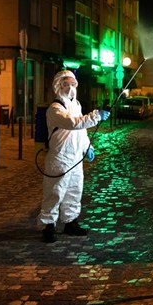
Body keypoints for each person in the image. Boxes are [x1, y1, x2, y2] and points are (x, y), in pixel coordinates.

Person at [37, 70, 110, 243]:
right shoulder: (55, 109)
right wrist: (96, 116)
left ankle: (70, 222)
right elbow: (72, 123)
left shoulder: (76, 105)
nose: (70, 87)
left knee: (74, 191)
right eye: (65, 84)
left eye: (73, 84)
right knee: (54, 192)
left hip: (76, 157)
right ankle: (48, 226)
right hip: (60, 158)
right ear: (58, 86)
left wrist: (88, 147)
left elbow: (81, 131)